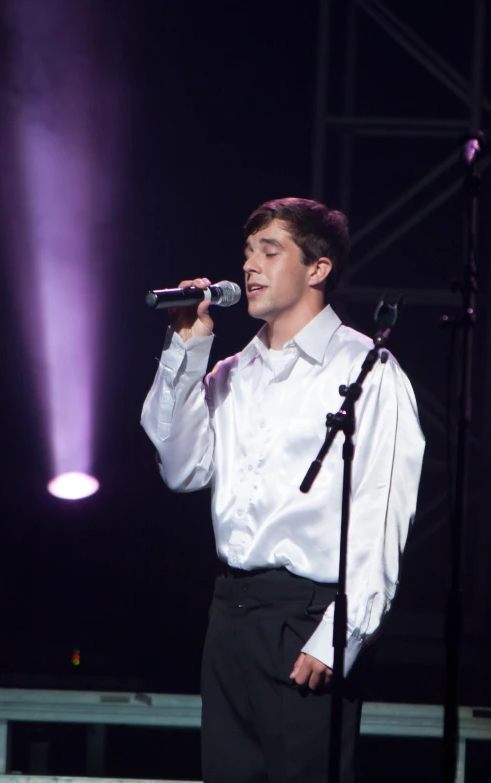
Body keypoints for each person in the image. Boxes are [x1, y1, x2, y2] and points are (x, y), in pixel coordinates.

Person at [141, 197, 425, 783]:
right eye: (247, 253)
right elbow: (180, 470)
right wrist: (187, 350)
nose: (250, 267)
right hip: (230, 617)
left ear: (317, 269)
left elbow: (379, 514)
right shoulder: (229, 374)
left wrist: (338, 638)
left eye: (270, 252)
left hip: (307, 619)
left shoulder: (368, 370)